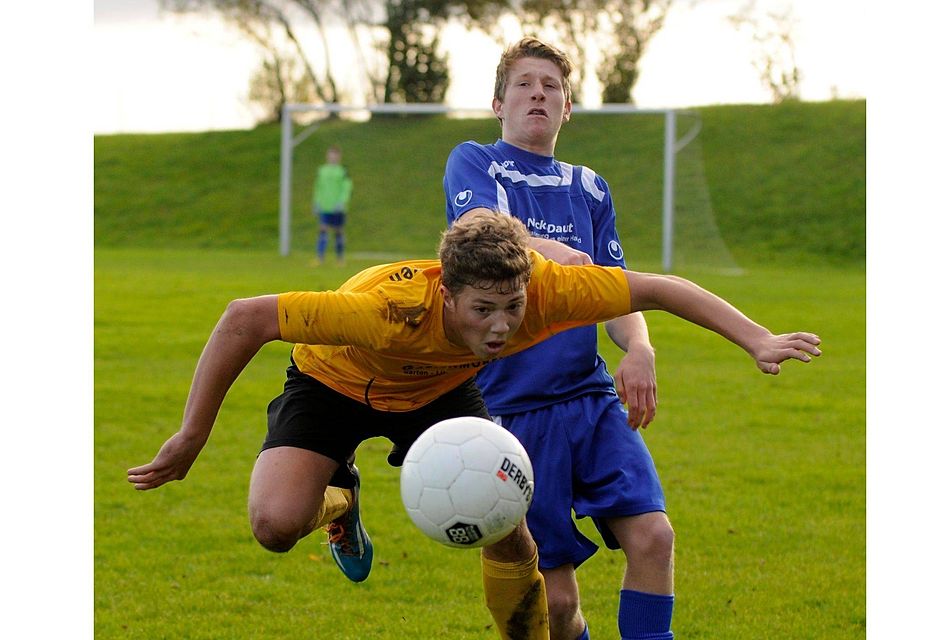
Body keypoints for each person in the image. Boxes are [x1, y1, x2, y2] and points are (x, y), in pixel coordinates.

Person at [127, 211, 821, 639]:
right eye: (482, 309)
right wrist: (191, 435)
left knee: (510, 527)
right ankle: (340, 498)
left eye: (512, 306)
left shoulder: (545, 292)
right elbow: (244, 317)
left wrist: (756, 338)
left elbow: (660, 289)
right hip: (336, 383)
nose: (501, 325)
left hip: (442, 392)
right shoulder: (384, 309)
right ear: (446, 292)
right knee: (275, 527)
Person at [441, 38, 664, 639]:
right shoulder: (474, 162)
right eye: (524, 83)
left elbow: (614, 288)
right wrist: (554, 254)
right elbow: (479, 229)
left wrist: (638, 348)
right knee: (558, 603)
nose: (538, 93)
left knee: (654, 537)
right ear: (497, 102)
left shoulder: (589, 188)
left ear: (567, 108)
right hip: (512, 409)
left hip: (588, 400)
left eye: (552, 86)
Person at [312, 145, 353, 265]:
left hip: (338, 208)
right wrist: (316, 202)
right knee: (322, 230)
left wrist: (342, 201)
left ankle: (340, 258)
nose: (332, 158)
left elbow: (347, 187)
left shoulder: (343, 171)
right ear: (327, 156)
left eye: (335, 156)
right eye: (330, 155)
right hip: (325, 206)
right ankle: (320, 258)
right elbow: (318, 187)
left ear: (339, 157)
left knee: (338, 231)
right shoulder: (322, 170)